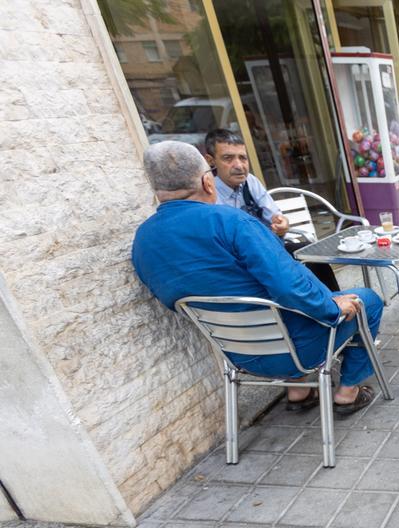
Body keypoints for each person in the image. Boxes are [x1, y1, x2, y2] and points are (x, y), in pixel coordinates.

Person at [132, 141, 380, 415]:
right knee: (367, 300)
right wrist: (332, 307)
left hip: (238, 355)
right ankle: (347, 393)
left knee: (287, 306)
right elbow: (290, 285)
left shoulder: (143, 240)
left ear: (155, 189)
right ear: (207, 181)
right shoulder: (233, 222)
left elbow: (171, 300)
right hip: (298, 351)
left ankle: (299, 390)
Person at [203, 129, 340, 291]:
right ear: (211, 161)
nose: (239, 166)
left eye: (243, 158)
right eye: (228, 158)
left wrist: (282, 224)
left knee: (309, 255)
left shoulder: (250, 182)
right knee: (293, 278)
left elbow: (276, 217)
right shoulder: (208, 194)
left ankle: (337, 304)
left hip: (269, 251)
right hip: (241, 264)